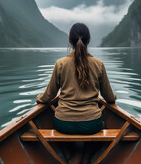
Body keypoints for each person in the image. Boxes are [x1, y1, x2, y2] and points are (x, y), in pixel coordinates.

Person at [36, 23, 116, 163]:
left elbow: (48, 96)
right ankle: (85, 157)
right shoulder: (98, 64)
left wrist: (39, 98)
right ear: (88, 40)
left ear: (69, 40)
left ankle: (71, 157)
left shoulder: (60, 64)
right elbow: (109, 98)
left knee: (54, 125)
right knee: (103, 126)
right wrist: (114, 97)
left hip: (63, 123)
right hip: (92, 124)